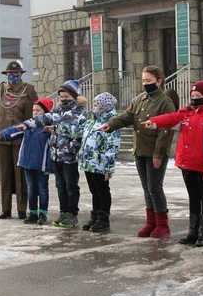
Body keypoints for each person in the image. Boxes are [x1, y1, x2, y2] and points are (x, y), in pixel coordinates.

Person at [145, 81, 203, 247]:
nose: (194, 99)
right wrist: (155, 122)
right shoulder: (186, 114)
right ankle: (193, 230)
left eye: (198, 96)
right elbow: (171, 117)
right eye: (192, 96)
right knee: (193, 197)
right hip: (187, 164)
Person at [100, 66, 176, 238]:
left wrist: (158, 154)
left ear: (159, 81)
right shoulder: (140, 100)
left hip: (154, 151)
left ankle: (162, 224)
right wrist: (111, 124)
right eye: (143, 81)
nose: (145, 84)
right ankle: (151, 223)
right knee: (146, 188)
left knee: (155, 188)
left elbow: (165, 130)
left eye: (148, 81)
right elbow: (128, 117)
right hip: (140, 149)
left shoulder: (165, 102)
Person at [18, 80, 87, 228]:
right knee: (60, 186)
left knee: (71, 186)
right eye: (61, 96)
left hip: (70, 156)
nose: (63, 99)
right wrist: (27, 124)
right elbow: (43, 118)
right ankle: (63, 212)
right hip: (56, 155)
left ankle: (72, 214)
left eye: (66, 96)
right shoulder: (57, 111)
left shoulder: (79, 114)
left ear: (74, 96)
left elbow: (78, 132)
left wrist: (58, 129)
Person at [0, 97, 54, 225]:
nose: (35, 113)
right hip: (27, 162)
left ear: (46, 112)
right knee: (31, 189)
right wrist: (2, 135)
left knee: (42, 189)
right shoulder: (28, 125)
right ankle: (32, 213)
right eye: (33, 110)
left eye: (38, 110)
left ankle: (43, 213)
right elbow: (15, 130)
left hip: (41, 164)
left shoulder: (49, 127)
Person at [0, 60, 38, 219]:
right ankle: (6, 209)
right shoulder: (0, 89)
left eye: (16, 74)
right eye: (10, 74)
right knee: (4, 175)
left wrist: (30, 138)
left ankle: (22, 209)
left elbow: (32, 116)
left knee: (20, 176)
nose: (12, 76)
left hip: (20, 141)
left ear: (21, 74)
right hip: (1, 141)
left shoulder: (28, 90)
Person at [78, 92, 121, 233]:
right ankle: (95, 216)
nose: (93, 107)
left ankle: (103, 219)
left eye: (96, 105)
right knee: (94, 191)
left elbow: (112, 146)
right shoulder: (93, 121)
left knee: (102, 191)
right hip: (89, 163)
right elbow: (79, 132)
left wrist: (108, 168)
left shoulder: (110, 122)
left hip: (100, 164)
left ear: (103, 107)